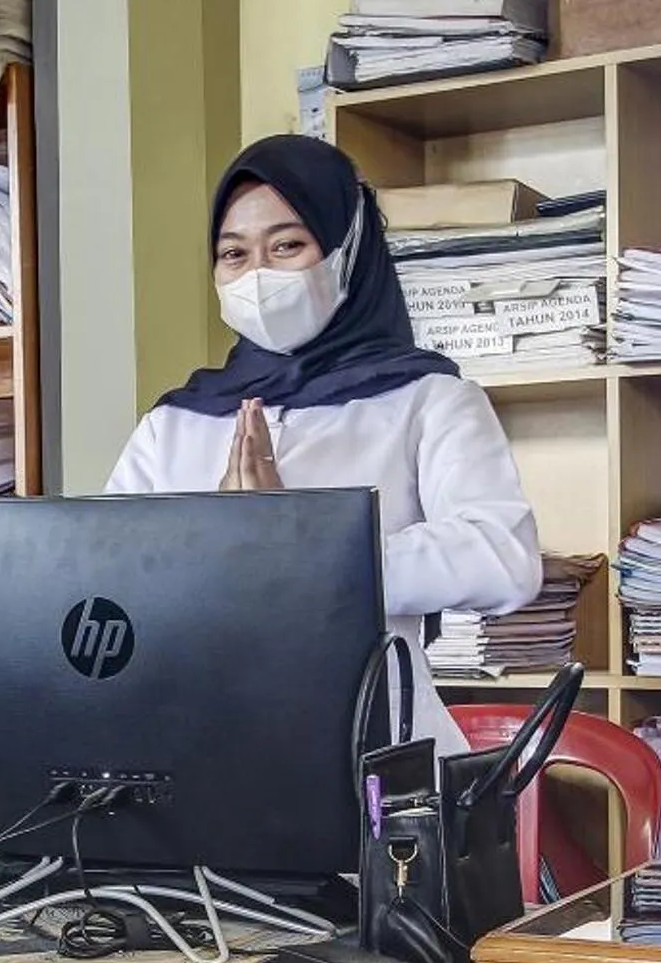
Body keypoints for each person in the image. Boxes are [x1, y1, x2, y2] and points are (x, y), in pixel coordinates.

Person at [106, 133, 540, 750]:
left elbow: (503, 559)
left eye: (286, 245)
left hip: (378, 750)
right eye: (233, 254)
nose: (256, 275)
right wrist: (221, 545)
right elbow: (110, 578)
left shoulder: (426, 398)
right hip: (199, 747)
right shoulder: (175, 423)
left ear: (348, 250)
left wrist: (305, 548)